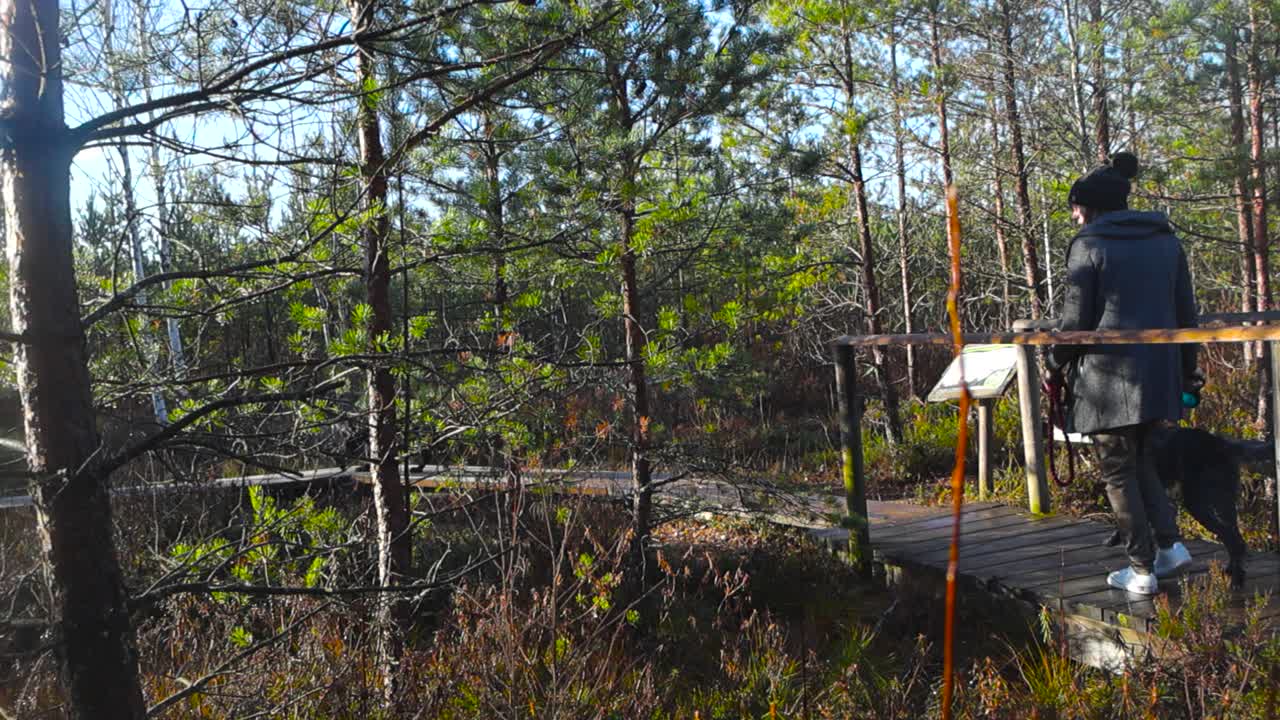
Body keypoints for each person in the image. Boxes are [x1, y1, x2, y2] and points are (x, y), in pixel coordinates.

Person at [1046, 151, 1198, 595]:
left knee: (1118, 472)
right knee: (1143, 461)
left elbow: (1076, 323)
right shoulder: (1166, 239)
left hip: (1107, 382)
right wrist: (1187, 372)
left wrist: (1054, 360)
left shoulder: (1088, 244)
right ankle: (1170, 548)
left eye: (1076, 207)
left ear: (1090, 207)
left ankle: (1141, 569)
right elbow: (1187, 313)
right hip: (1161, 373)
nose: (1074, 215)